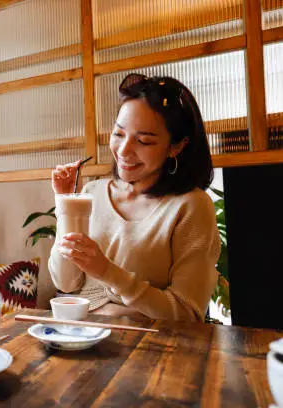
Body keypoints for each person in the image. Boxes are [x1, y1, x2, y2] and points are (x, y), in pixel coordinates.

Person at [49, 73, 220, 322]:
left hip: (150, 351)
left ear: (176, 146)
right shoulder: (92, 193)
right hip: (82, 338)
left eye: (143, 141)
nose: (124, 150)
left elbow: (186, 314)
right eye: (119, 134)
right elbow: (66, 282)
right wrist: (64, 203)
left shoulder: (190, 206)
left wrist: (108, 272)